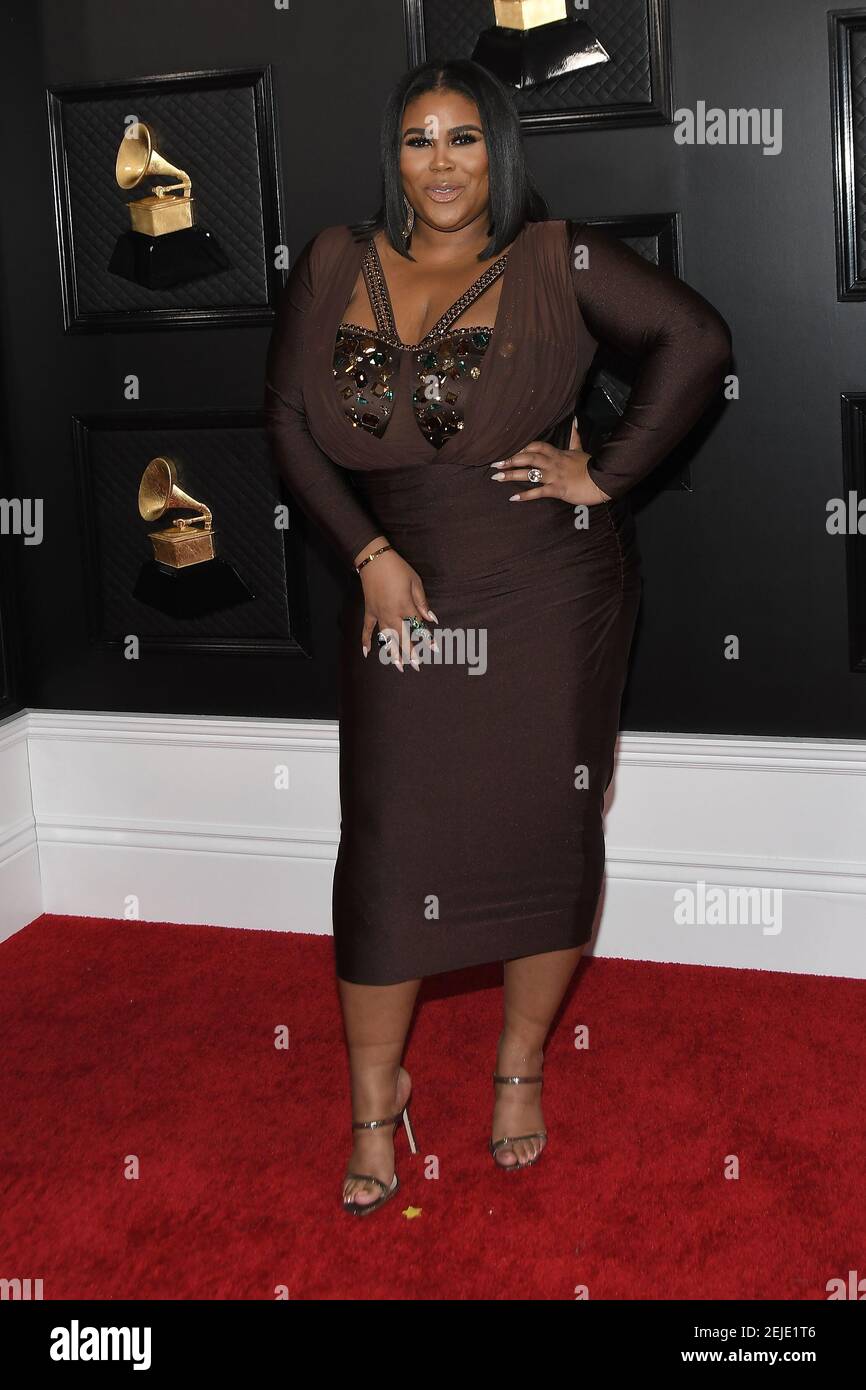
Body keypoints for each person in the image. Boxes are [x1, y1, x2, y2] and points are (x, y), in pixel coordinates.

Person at [263, 58, 732, 1215]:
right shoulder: (335, 261)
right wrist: (367, 556)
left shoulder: (554, 257)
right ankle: (377, 1097)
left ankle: (518, 1066)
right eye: (419, 140)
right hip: (399, 592)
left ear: (498, 148)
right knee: (384, 844)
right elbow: (286, 421)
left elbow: (696, 341)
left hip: (543, 592)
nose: (441, 163)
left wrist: (603, 476)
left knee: (540, 829)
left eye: (464, 139)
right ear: (395, 155)